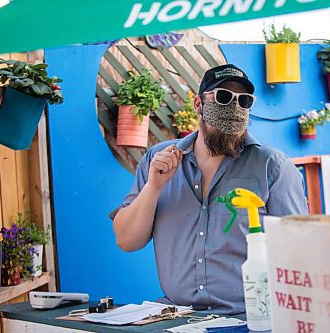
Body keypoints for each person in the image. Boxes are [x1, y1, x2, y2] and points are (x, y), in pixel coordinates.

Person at [110, 64, 308, 315]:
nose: (234, 106)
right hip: (176, 317)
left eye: (244, 101)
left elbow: (299, 252)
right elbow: (127, 240)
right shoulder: (158, 159)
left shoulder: (272, 166)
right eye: (223, 97)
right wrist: (154, 187)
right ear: (198, 104)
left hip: (248, 320)